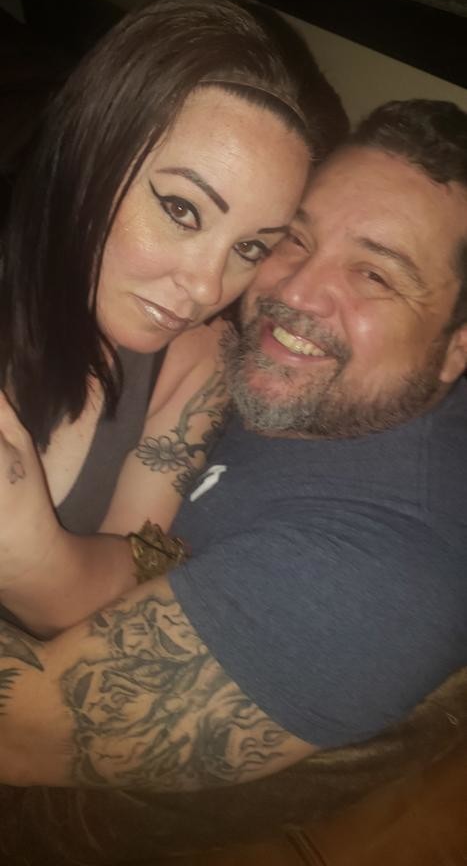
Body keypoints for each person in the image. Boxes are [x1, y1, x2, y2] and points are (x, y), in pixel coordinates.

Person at [0, 98, 466, 792]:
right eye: (295, 239)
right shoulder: (233, 328)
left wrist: (28, 557)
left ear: (456, 349)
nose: (297, 292)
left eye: (373, 275)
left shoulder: (379, 578)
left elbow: (21, 733)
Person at [0, 0, 348, 630]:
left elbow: (135, 575)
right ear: (90, 153)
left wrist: (31, 556)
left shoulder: (198, 358)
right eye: (182, 210)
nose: (208, 289)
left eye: (250, 247)